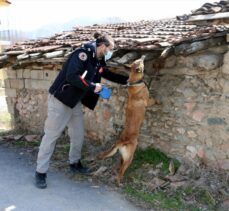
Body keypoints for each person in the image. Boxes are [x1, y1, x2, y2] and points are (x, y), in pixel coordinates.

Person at [35, 32, 129, 189]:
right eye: (110, 49)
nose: (110, 53)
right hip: (60, 101)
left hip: (74, 103)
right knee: (51, 136)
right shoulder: (82, 54)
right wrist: (93, 87)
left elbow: (105, 73)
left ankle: (74, 163)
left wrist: (127, 80)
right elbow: (72, 76)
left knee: (78, 134)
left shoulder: (98, 60)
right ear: (102, 46)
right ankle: (40, 172)